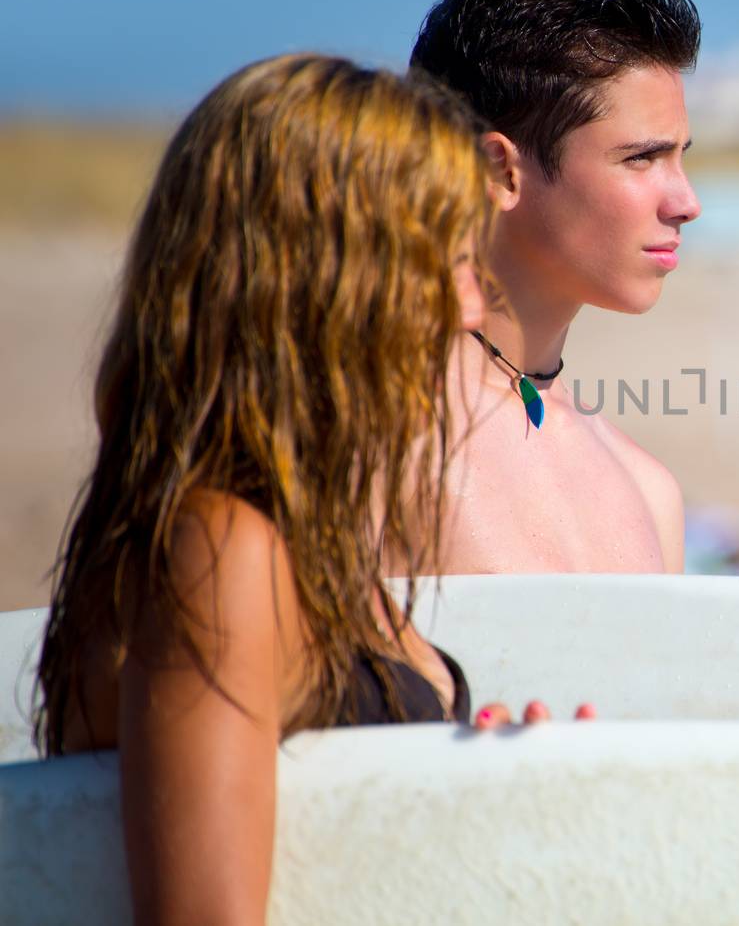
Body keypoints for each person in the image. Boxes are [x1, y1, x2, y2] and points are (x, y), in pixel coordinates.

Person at [31, 54, 564, 926]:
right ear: (329, 280)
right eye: (452, 259)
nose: (475, 304)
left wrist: (478, 780)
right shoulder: (216, 548)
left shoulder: (283, 534)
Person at [409, 0, 701, 576]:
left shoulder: (650, 490)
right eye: (641, 158)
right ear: (499, 172)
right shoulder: (367, 449)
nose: (686, 202)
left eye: (681, 156)